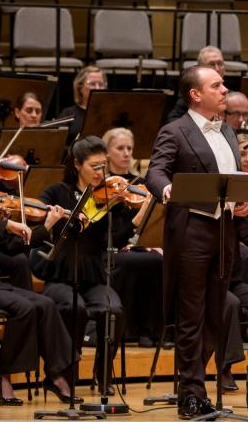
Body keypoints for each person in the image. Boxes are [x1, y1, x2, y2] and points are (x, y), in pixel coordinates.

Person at [146, 65, 248, 419]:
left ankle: (197, 386)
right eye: (217, 85)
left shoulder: (229, 133)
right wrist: (167, 188)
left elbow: (232, 178)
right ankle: (189, 393)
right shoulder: (174, 131)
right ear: (195, 94)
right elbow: (155, 171)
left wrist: (242, 200)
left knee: (216, 315)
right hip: (192, 230)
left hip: (225, 232)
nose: (225, 90)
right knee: (191, 316)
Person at [38, 136, 136, 396]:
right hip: (60, 276)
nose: (100, 172)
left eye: (104, 166)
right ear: (77, 164)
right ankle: (61, 374)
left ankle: (103, 374)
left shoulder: (107, 198)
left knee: (113, 309)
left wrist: (134, 217)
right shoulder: (56, 192)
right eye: (94, 166)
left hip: (92, 275)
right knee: (73, 307)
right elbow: (43, 225)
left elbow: (112, 239)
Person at [0, 149, 78, 406]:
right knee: (24, 307)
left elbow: (12, 247)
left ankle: (56, 374)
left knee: (45, 304)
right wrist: (6, 224)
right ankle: (3, 378)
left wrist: (46, 226)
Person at [101, 128, 164, 348]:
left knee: (158, 260)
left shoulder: (142, 184)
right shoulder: (103, 187)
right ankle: (127, 328)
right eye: (120, 148)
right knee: (135, 261)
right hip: (112, 247)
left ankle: (150, 329)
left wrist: (150, 243)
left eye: (129, 148)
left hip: (140, 247)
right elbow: (110, 234)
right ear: (107, 153)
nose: (126, 153)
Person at [166, 46, 227, 123]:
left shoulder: (229, 94)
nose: (217, 69)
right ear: (201, 68)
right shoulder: (192, 94)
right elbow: (173, 121)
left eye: (220, 63)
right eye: (212, 64)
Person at [59, 66, 108, 145]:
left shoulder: (109, 113)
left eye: (101, 84)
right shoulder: (68, 113)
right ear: (80, 87)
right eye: (92, 84)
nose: (97, 88)